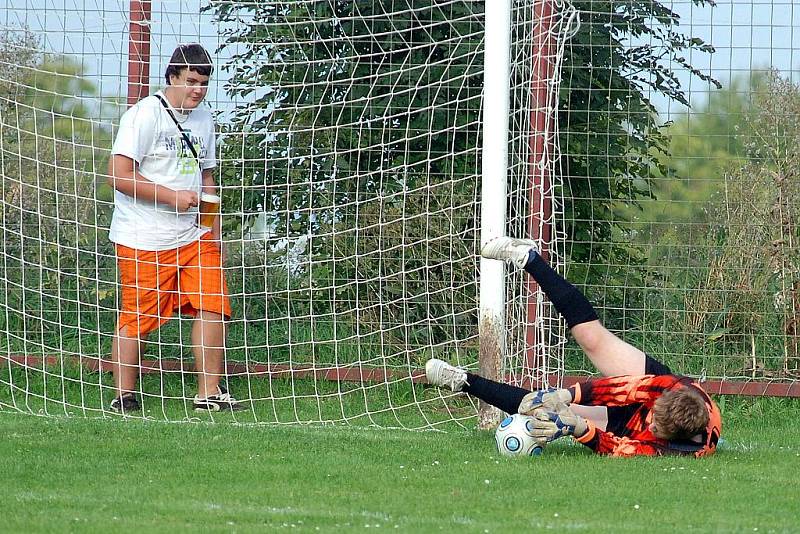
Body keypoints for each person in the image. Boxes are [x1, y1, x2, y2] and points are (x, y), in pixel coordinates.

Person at [426, 236, 722, 457]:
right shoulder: (670, 387)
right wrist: (567, 393)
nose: (652, 423)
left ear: (668, 437)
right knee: (591, 338)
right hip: (643, 386)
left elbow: (620, 448)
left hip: (625, 426)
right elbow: (621, 389)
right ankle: (529, 257)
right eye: (655, 416)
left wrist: (578, 429)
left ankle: (462, 381)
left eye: (656, 428)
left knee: (541, 409)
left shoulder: (678, 451)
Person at [106, 43, 243, 413]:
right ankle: (124, 395)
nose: (197, 90)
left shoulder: (204, 119)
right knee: (139, 317)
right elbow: (118, 177)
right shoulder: (143, 116)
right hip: (143, 236)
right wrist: (171, 196)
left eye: (204, 84)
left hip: (194, 236)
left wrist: (211, 229)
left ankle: (209, 394)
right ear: (172, 78)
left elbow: (207, 176)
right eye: (191, 82)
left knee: (213, 305)